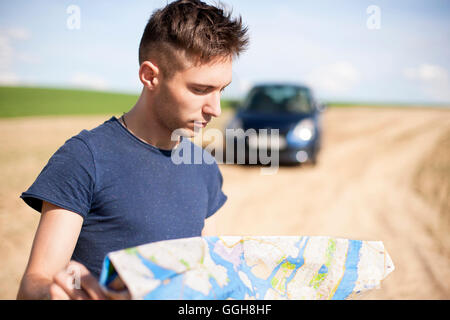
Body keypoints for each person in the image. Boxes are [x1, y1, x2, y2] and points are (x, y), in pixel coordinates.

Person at [16, 0, 249, 300]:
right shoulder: (85, 158)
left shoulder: (205, 167)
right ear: (150, 76)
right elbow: (33, 284)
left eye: (222, 90)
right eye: (200, 90)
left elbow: (207, 278)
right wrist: (53, 293)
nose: (215, 109)